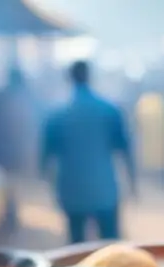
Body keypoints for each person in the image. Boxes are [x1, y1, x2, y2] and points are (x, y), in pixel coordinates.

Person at [41, 60, 136, 243]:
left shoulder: (57, 114)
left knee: (77, 249)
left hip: (72, 191)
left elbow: (45, 157)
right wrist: (133, 183)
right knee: (111, 247)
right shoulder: (109, 110)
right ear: (90, 76)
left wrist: (47, 185)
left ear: (69, 79)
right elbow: (125, 150)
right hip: (104, 190)